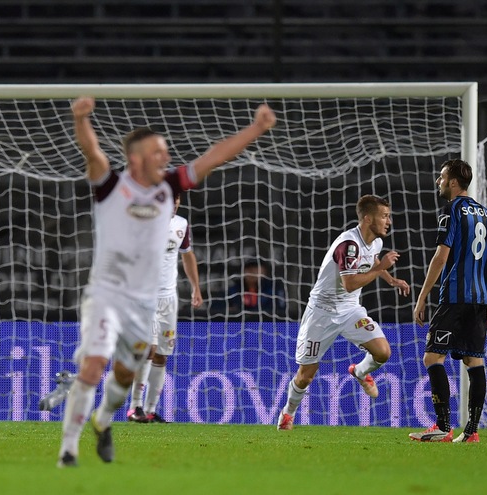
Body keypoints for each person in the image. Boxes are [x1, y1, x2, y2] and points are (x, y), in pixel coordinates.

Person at [57, 96, 275, 467]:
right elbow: (92, 151)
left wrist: (256, 128)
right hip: (106, 294)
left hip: (145, 303)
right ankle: (68, 451)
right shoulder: (110, 185)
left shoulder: (170, 187)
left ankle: (103, 420)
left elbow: (213, 158)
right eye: (158, 152)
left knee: (124, 375)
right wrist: (81, 119)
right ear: (135, 159)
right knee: (92, 367)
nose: (166, 156)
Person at [276, 195, 410, 430]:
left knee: (382, 352)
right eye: (384, 216)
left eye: (389, 216)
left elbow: (372, 260)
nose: (389, 221)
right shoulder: (348, 245)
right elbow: (350, 284)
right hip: (322, 312)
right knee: (306, 374)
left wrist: (390, 279)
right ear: (368, 219)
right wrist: (381, 267)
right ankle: (289, 412)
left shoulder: (376, 243)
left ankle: (360, 372)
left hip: (350, 310)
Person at [410, 158, 487, 443]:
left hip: (454, 297)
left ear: (452, 181)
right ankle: (471, 432)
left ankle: (442, 426)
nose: (438, 181)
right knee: (474, 361)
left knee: (432, 357)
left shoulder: (451, 210)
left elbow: (441, 256)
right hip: (479, 300)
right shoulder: (486, 214)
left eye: (441, 177)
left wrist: (422, 296)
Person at [126, 193, 204, 424]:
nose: (175, 203)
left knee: (162, 354)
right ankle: (135, 407)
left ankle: (150, 410)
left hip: (169, 298)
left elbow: (187, 255)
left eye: (177, 199)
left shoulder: (181, 224)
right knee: (148, 349)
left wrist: (196, 287)